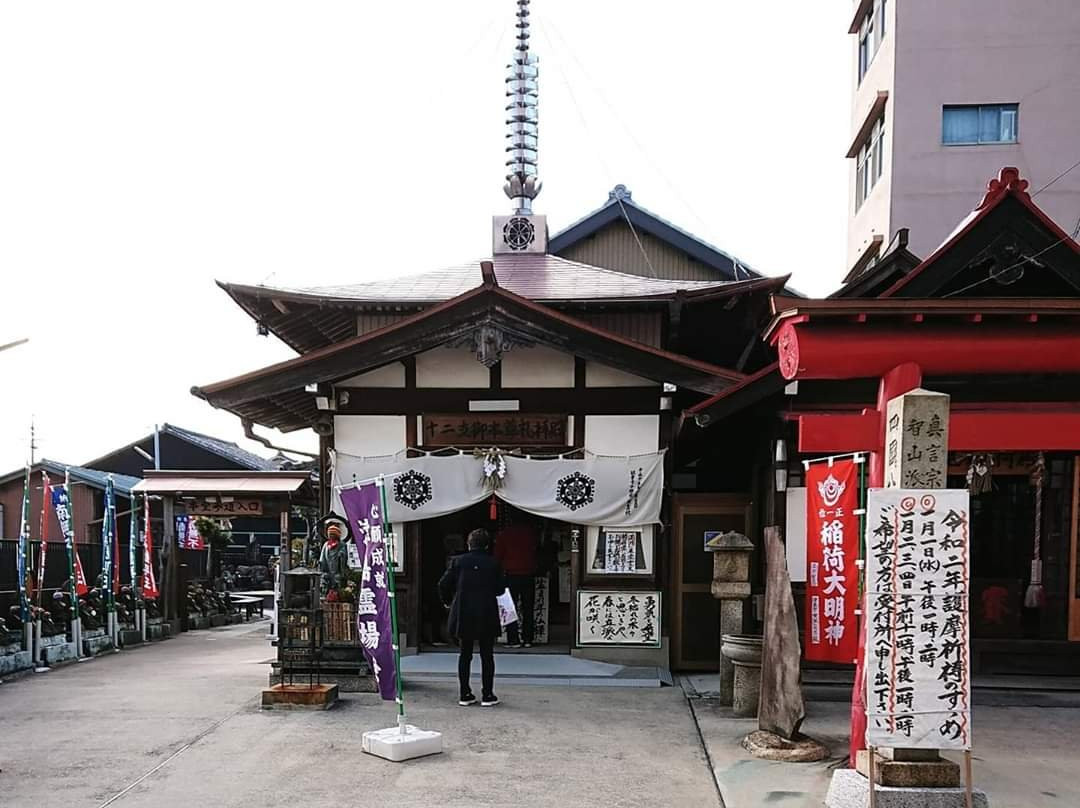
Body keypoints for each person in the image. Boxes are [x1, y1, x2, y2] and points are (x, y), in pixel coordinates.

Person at [438, 528, 506, 707]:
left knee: (464, 654)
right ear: (486, 545)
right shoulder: (494, 563)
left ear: (468, 544)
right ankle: (488, 694)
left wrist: (448, 602)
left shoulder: (458, 562)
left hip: (463, 611)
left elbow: (443, 584)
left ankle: (465, 693)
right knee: (487, 655)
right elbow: (500, 589)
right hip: (486, 611)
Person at [495, 517, 539, 647]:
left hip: (510, 575)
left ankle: (513, 639)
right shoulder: (531, 533)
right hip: (528, 574)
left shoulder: (504, 534)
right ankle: (528, 639)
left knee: (509, 608)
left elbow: (498, 555)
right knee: (528, 608)